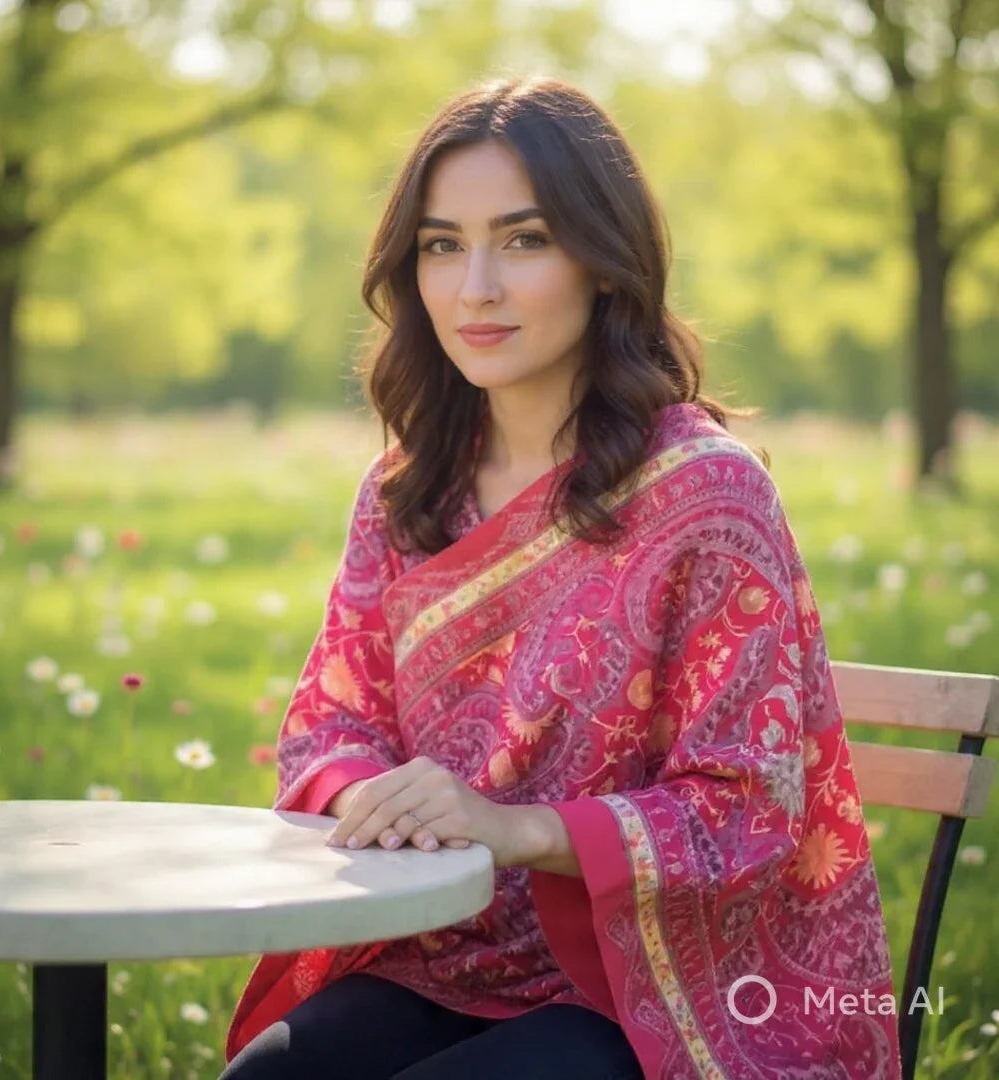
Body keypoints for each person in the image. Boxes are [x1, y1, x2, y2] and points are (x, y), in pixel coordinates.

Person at [221, 76, 902, 1080]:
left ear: (604, 263)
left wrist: (512, 829)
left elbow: (748, 808)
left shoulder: (707, 494)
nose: (474, 287)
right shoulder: (409, 489)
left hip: (657, 987)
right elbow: (331, 725)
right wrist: (378, 796)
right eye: (442, 244)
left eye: (525, 239)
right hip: (441, 953)